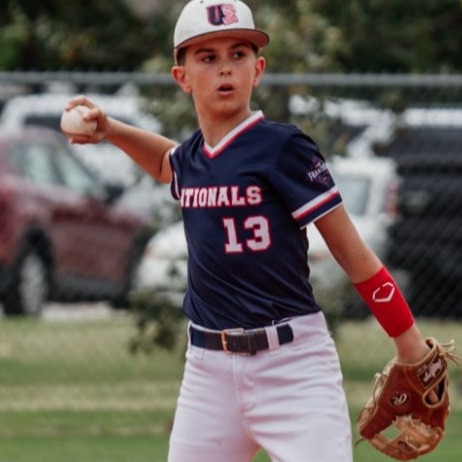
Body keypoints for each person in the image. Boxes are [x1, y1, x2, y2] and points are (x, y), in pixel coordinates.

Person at [63, 1, 435, 461]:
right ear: (182, 77)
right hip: (208, 372)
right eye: (207, 57)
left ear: (257, 70)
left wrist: (408, 343)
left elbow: (351, 252)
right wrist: (110, 129)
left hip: (293, 367)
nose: (225, 68)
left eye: (238, 54)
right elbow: (165, 163)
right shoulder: (193, 159)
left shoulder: (283, 148)